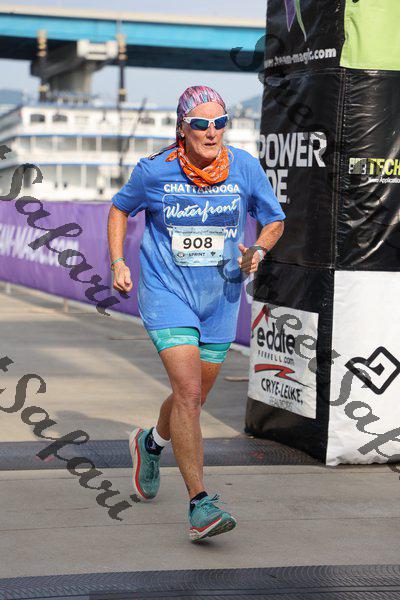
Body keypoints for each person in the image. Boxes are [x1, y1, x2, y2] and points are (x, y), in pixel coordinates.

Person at [107, 85, 285, 542]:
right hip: (167, 293)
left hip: (221, 298)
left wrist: (258, 251)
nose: (211, 132)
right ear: (182, 127)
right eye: (201, 124)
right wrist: (119, 262)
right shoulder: (155, 170)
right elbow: (119, 209)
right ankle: (200, 503)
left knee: (194, 397)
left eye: (220, 123)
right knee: (187, 393)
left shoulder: (244, 167)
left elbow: (274, 220)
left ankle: (150, 443)